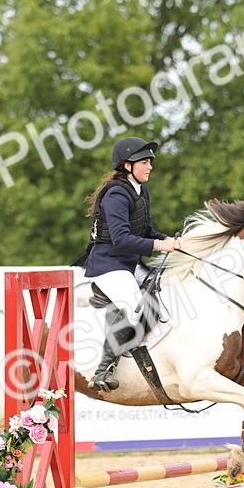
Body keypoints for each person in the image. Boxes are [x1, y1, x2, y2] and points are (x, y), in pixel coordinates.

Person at [77, 136, 177, 392]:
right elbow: (121, 240)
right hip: (108, 263)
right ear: (127, 165)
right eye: (144, 162)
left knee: (164, 289)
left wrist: (170, 240)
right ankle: (103, 370)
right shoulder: (116, 195)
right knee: (134, 308)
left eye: (150, 162)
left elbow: (147, 230)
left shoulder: (141, 191)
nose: (150, 167)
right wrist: (158, 246)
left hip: (129, 263)